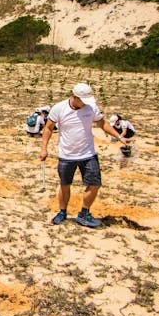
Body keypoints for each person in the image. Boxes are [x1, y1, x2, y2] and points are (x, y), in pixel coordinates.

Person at [40, 83, 130, 228]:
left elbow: (102, 123)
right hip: (67, 155)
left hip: (88, 154)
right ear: (75, 97)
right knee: (65, 185)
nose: (85, 103)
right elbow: (48, 128)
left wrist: (119, 137)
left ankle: (84, 213)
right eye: (82, 100)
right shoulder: (59, 108)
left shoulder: (91, 107)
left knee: (94, 184)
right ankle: (62, 212)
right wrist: (44, 148)